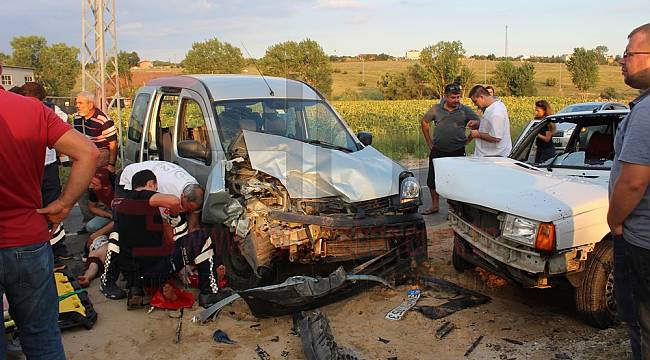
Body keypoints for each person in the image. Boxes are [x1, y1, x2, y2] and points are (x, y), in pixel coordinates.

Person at [0, 63, 99, 358]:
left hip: (24, 240)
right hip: (26, 240)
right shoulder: (31, 110)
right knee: (41, 335)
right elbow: (89, 152)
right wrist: (64, 205)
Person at [114, 170, 227, 309]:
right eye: (155, 188)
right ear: (151, 184)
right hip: (155, 270)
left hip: (134, 275)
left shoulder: (120, 204)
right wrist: (174, 215)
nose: (156, 191)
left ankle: (136, 289)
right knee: (201, 239)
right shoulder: (143, 196)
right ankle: (209, 293)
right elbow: (173, 201)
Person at [99, 160, 204, 299]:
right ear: (182, 197)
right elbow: (167, 226)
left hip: (151, 181)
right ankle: (109, 280)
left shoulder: (195, 191)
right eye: (183, 207)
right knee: (123, 230)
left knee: (153, 235)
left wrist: (187, 258)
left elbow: (193, 227)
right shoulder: (167, 193)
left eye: (188, 210)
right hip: (128, 178)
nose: (183, 210)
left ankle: (141, 277)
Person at [607, 22, 650, 360]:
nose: (620, 61)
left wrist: (615, 220)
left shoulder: (647, 112)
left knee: (640, 320)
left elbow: (634, 181)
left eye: (627, 54)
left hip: (641, 241)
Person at [21, 82, 72, 260]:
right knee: (51, 206)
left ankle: (48, 249)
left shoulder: (49, 110)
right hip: (44, 167)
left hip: (29, 167)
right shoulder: (51, 110)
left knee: (35, 207)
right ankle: (56, 249)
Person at [420, 83, 480, 214]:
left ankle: (453, 210)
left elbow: (479, 123)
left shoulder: (465, 110)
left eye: (458, 97)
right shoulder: (436, 109)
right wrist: (429, 143)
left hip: (457, 151)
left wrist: (469, 138)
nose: (456, 100)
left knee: (455, 182)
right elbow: (424, 122)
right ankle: (435, 206)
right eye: (453, 97)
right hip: (438, 150)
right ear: (446, 97)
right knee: (432, 180)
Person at [467, 85, 512, 157]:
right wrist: (479, 124)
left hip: (494, 157)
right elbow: (492, 125)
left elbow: (496, 137)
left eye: (475, 101)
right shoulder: (491, 107)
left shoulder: (496, 112)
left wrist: (477, 134)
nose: (475, 104)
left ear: (481, 97)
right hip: (488, 155)